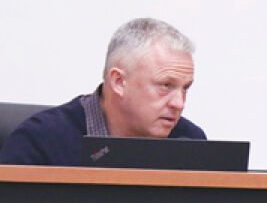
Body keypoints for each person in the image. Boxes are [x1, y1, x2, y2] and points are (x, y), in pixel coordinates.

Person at [0, 18, 205, 166]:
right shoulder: (42, 141)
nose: (179, 103)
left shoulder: (189, 141)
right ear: (118, 82)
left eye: (185, 88)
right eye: (165, 86)